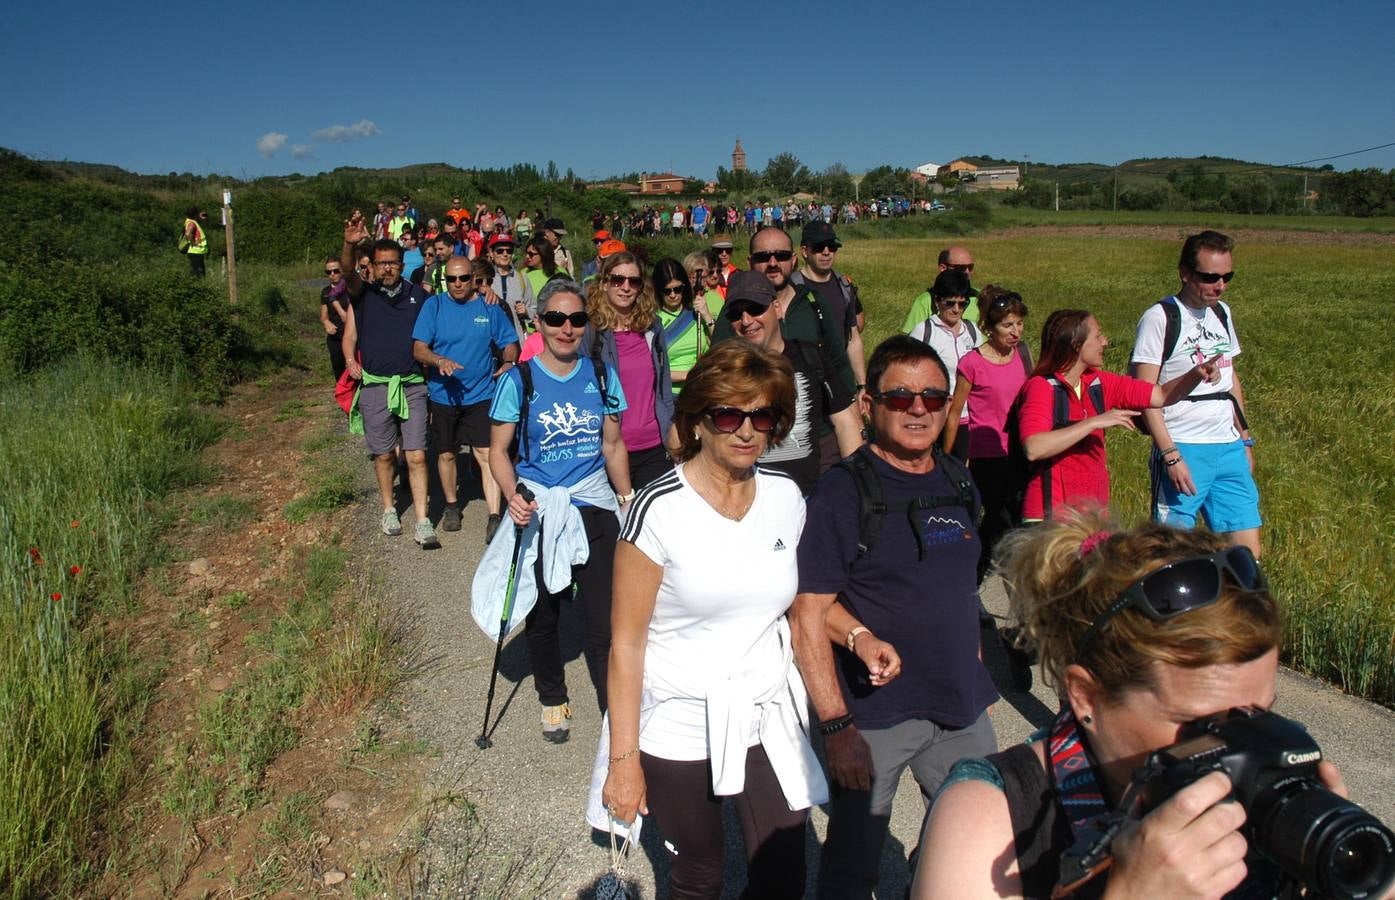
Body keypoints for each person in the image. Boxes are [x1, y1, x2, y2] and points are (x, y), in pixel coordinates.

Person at [911, 510, 1375, 900]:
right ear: (1086, 697)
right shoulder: (992, 817)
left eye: (1261, 714)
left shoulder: (1263, 801)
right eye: (1203, 723)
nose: (1245, 744)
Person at [594, 340, 827, 900]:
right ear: (698, 421)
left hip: (762, 710)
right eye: (728, 414)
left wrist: (862, 637)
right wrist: (624, 763)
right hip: (680, 719)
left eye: (762, 415)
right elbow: (625, 646)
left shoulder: (786, 497)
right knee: (699, 877)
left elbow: (798, 604)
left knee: (783, 874)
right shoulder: (659, 507)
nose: (746, 430)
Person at [792, 335, 997, 898]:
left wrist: (974, 660)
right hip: (875, 718)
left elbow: (960, 586)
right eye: (900, 396)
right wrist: (837, 728)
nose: (917, 409)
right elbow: (808, 613)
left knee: (974, 847)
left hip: (961, 705)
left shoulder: (958, 479)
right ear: (868, 404)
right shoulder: (842, 492)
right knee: (853, 866)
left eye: (933, 397)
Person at [486, 278, 632, 741]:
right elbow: (498, 450)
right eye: (556, 319)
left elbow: (612, 445)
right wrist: (512, 494)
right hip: (541, 507)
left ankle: (615, 703)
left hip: (592, 503)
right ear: (539, 321)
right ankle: (553, 699)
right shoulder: (519, 379)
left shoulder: (603, 374)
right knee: (543, 613)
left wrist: (627, 502)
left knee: (605, 616)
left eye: (576, 319)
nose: (567, 328)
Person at [1131, 230, 1262, 558]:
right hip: (1184, 443)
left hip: (1228, 445)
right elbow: (1145, 395)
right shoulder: (1160, 318)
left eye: (1227, 276)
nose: (1220, 285)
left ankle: (1234, 608)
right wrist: (1171, 456)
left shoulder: (1222, 312)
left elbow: (1232, 381)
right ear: (1185, 273)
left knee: (1247, 556)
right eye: (1210, 277)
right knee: (1170, 553)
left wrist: (1244, 439)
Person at [1018, 310, 1220, 523]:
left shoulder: (1100, 382)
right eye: (1097, 336)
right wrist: (1094, 422)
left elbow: (1161, 396)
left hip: (1092, 518)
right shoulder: (1041, 387)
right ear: (1076, 344)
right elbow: (1034, 448)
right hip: (1051, 518)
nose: (1105, 342)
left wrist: (1196, 374)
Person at [338, 213, 438, 548]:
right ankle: (388, 509)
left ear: (401, 264)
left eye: (393, 263)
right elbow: (348, 272)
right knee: (383, 455)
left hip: (412, 384)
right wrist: (350, 244)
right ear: (373, 266)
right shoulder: (363, 295)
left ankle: (423, 519)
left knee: (418, 454)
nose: (388, 269)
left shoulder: (418, 296)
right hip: (376, 385)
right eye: (381, 263)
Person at [726, 270, 862, 496]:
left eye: (756, 308)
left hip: (811, 496)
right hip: (749, 501)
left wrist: (853, 487)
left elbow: (846, 422)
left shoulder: (811, 356)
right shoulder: (724, 370)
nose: (746, 320)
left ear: (777, 309)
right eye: (735, 313)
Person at [412, 255, 519, 541]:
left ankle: (495, 516)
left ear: (473, 278)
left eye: (463, 278)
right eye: (451, 279)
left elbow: (509, 343)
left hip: (482, 393)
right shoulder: (433, 306)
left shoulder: (490, 307)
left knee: (486, 454)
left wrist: (508, 362)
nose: (457, 284)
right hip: (444, 395)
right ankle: (451, 506)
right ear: (444, 279)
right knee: (446, 453)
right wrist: (439, 361)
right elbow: (419, 348)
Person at [941, 286, 1031, 585]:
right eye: (1008, 325)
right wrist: (947, 458)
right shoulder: (972, 363)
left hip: (1020, 451)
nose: (1016, 331)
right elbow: (955, 413)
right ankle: (973, 579)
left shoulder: (1024, 355)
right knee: (994, 519)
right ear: (989, 328)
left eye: (1019, 323)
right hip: (987, 454)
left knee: (1018, 518)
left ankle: (1014, 578)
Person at [712, 226, 855, 403]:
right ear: (750, 262)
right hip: (757, 419)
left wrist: (853, 407)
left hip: (815, 421)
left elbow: (839, 362)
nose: (773, 263)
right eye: (763, 257)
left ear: (793, 260)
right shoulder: (734, 312)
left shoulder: (813, 302)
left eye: (781, 256)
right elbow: (716, 370)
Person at [585, 251, 677, 490]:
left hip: (654, 447)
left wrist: (671, 433)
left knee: (653, 522)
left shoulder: (652, 326)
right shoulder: (591, 330)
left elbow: (663, 388)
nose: (625, 287)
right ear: (604, 283)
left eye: (633, 281)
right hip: (608, 448)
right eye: (617, 280)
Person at [908, 269, 984, 461]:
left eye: (962, 303)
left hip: (970, 418)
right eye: (950, 303)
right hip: (935, 417)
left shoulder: (973, 331)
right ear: (937, 301)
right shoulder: (924, 331)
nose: (956, 309)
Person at [652, 257, 714, 394]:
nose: (673, 295)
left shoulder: (696, 313)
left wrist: (707, 315)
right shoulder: (651, 320)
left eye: (678, 289)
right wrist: (688, 375)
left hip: (700, 391)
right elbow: (651, 368)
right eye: (667, 291)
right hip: (669, 396)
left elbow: (720, 344)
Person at [902, 245, 980, 334]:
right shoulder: (926, 300)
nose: (967, 272)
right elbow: (912, 343)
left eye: (970, 267)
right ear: (943, 268)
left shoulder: (980, 297)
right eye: (960, 268)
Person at [485, 233, 533, 339]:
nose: (505, 254)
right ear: (491, 253)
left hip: (517, 341)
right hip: (491, 342)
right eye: (500, 251)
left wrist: (526, 311)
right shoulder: (484, 278)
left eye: (509, 251)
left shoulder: (522, 278)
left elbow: (534, 308)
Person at [319, 255, 350, 380]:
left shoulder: (350, 288)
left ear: (342, 270)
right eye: (328, 272)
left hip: (351, 335)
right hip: (335, 336)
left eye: (336, 271)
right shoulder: (325, 292)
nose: (332, 274)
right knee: (339, 370)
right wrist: (326, 323)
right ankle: (343, 396)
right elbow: (324, 316)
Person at [179, 207, 208, 277]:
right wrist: (193, 243)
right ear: (195, 214)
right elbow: (188, 234)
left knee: (198, 274)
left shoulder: (190, 221)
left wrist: (199, 216)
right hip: (196, 252)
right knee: (198, 275)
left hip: (196, 252)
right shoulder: (192, 223)